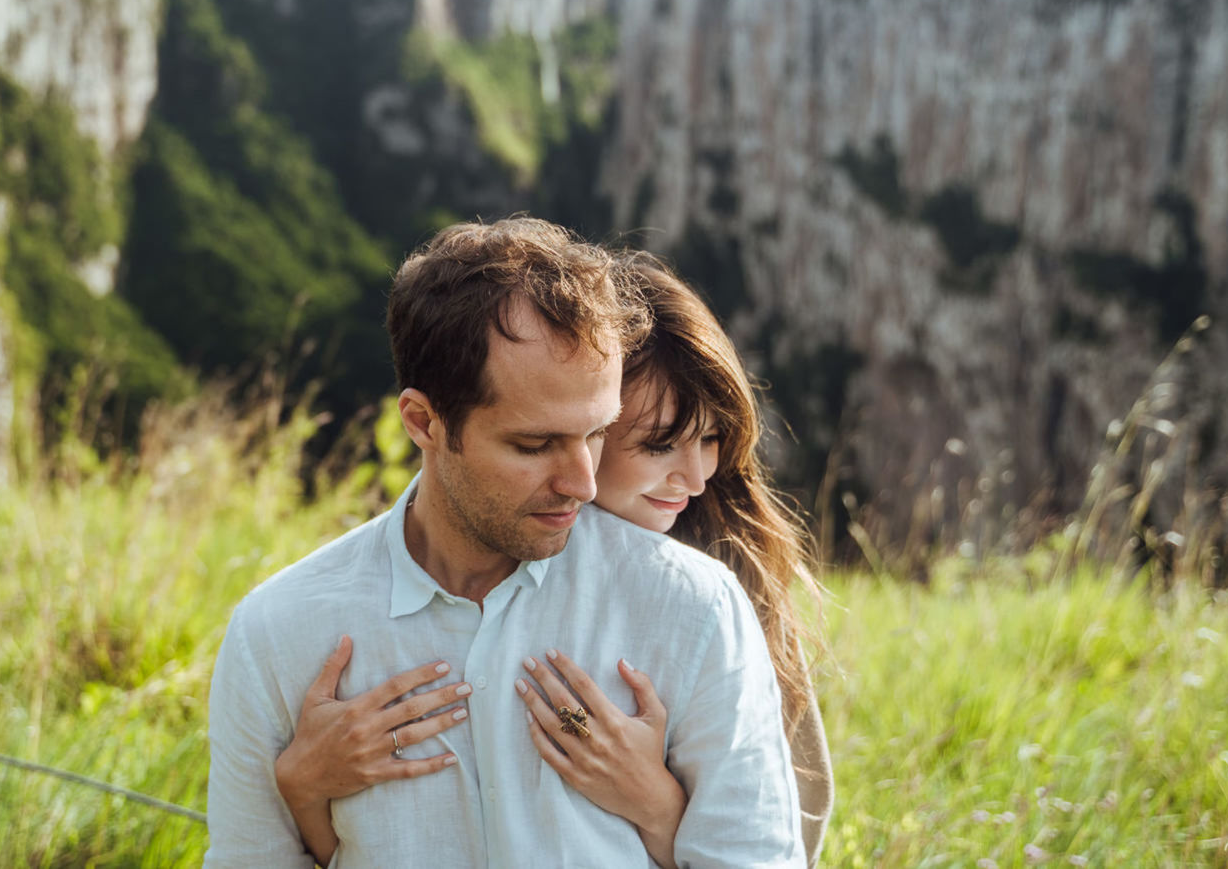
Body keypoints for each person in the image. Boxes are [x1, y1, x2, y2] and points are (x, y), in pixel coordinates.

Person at [205, 218, 805, 867]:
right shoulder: (278, 631)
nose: (582, 480)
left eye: (598, 432)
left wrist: (662, 809)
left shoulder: (694, 607)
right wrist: (301, 792)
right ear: (424, 421)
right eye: (535, 443)